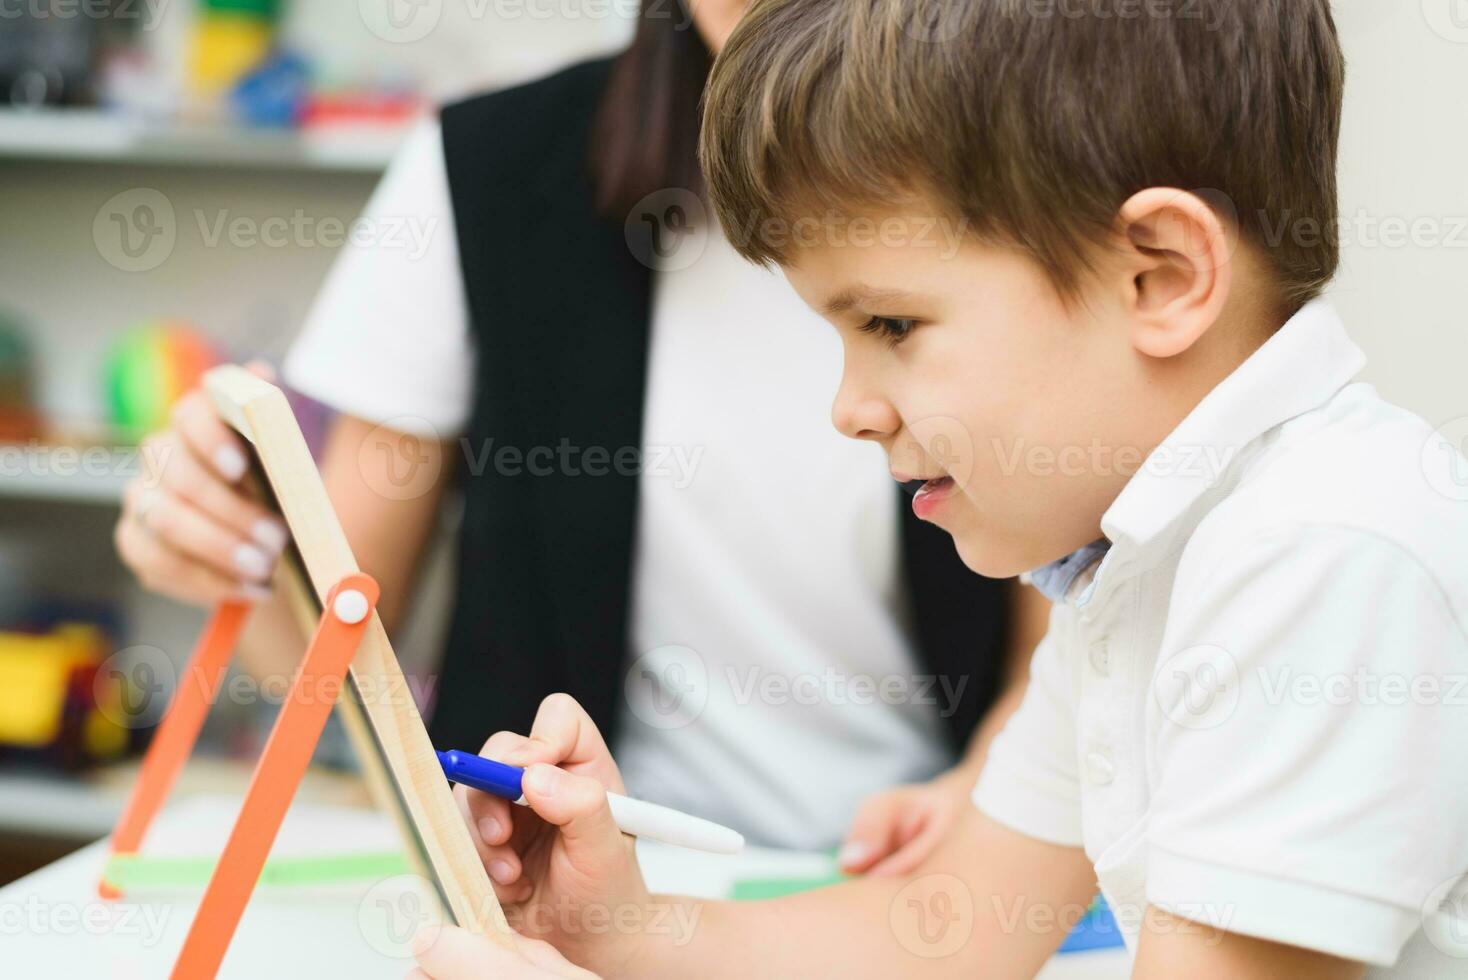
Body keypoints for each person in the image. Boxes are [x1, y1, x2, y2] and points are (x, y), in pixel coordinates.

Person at [409, 0, 1468, 977]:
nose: (850, 409)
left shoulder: (1321, 553)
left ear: (1161, 276)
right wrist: (622, 929)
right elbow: (942, 934)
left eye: (891, 327)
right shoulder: (1141, 564)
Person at [113, 0, 1049, 864]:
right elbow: (320, 658)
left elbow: (1068, 646)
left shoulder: (1042, 169)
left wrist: (997, 803)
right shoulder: (487, 165)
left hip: (916, 892)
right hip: (554, 895)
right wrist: (224, 538)